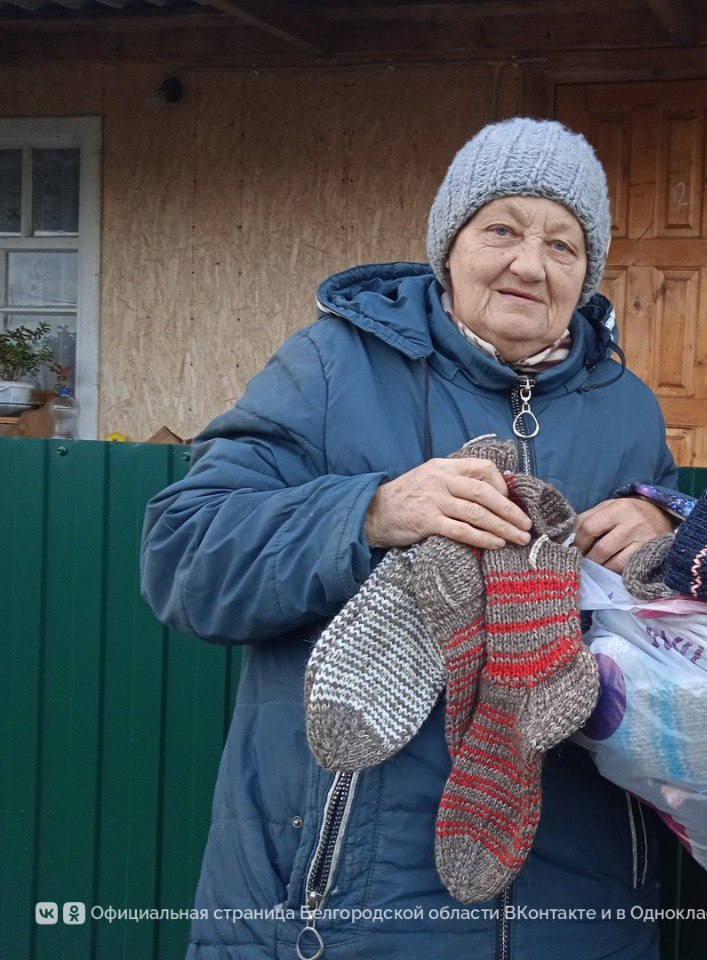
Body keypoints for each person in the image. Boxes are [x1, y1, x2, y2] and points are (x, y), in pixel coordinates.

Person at [140, 118, 677, 960]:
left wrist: (663, 529)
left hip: (577, 909)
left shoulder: (628, 408)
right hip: (344, 910)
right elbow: (184, 556)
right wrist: (370, 512)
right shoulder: (331, 368)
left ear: (588, 271)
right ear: (450, 244)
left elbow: (665, 643)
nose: (529, 264)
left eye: (563, 244)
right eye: (501, 228)